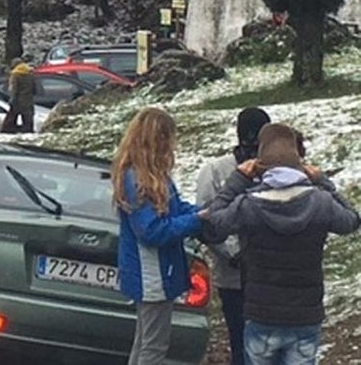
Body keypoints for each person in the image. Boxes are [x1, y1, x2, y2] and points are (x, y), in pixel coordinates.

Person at [203, 123, 360, 365]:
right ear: (300, 165)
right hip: (305, 314)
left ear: (259, 163)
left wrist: (237, 181)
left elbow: (214, 225)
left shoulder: (248, 205)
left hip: (261, 312)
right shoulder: (322, 203)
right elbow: (352, 220)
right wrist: (324, 182)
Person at [112, 107, 204, 365]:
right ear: (158, 139)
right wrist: (195, 221)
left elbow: (175, 207)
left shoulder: (154, 175)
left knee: (144, 342)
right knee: (154, 348)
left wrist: (201, 212)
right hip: (152, 273)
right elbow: (151, 231)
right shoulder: (137, 179)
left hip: (157, 271)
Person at [195, 107, 271, 365]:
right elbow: (207, 219)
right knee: (240, 341)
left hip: (270, 276)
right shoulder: (216, 171)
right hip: (233, 276)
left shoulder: (277, 170)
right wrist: (231, 254)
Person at [2, 59, 37, 133]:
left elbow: (14, 89)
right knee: (28, 122)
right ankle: (28, 134)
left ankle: (9, 133)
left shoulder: (15, 74)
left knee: (10, 121)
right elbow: (34, 89)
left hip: (17, 101)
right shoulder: (30, 74)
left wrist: (12, 100)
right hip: (28, 101)